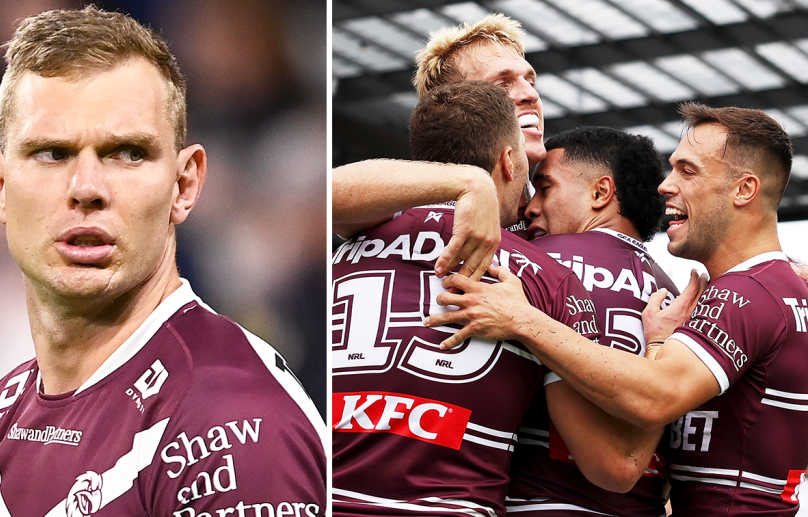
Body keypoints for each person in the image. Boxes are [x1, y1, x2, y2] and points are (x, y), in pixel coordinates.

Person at [0, 7, 326, 517]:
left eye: (127, 153)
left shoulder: (230, 424)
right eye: (51, 153)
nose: (86, 189)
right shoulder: (0, 416)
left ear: (184, 185)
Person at [428, 104, 808, 515]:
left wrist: (524, 320)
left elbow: (657, 398)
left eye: (688, 170)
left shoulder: (751, 292)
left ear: (744, 190)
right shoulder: (753, 289)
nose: (665, 185)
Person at [332, 79, 662, 516]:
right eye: (533, 180)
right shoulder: (550, 277)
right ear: (509, 162)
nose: (529, 206)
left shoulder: (353, 236)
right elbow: (614, 466)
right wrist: (659, 348)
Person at [506, 127, 679, 515]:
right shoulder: (675, 294)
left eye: (545, 188)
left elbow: (614, 467)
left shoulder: (536, 263)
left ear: (601, 193)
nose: (531, 208)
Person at [334, 13, 545, 277]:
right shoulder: (405, 197)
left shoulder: (578, 198)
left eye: (531, 80)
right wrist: (471, 181)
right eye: (503, 85)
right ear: (459, 104)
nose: (531, 94)